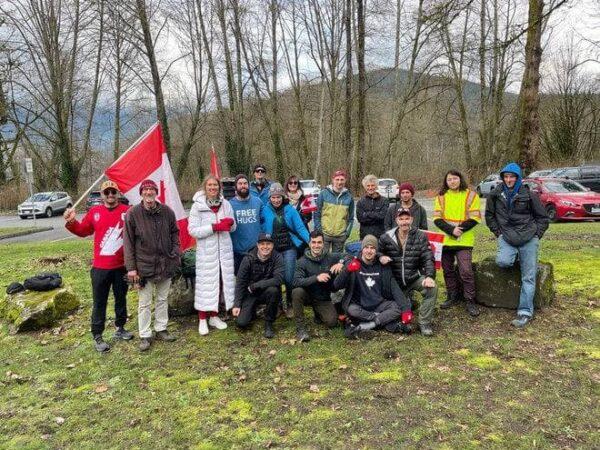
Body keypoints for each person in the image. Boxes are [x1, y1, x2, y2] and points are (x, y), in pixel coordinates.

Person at [64, 180, 133, 352]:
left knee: (121, 298)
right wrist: (71, 222)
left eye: (113, 192)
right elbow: (82, 231)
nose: (110, 195)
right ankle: (97, 335)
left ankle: (120, 327)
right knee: (99, 302)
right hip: (100, 268)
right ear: (102, 195)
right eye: (107, 192)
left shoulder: (128, 212)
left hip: (121, 266)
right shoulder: (95, 212)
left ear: (118, 194)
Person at [485, 162, 549, 328]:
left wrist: (537, 235)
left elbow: (543, 218)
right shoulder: (495, 195)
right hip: (506, 236)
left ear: (518, 178)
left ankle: (525, 312)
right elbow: (489, 216)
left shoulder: (529, 194)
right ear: (502, 178)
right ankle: (516, 256)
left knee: (528, 276)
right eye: (506, 176)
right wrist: (498, 233)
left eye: (512, 176)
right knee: (503, 262)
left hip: (528, 237)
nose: (509, 179)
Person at [124, 179, 180, 352]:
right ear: (141, 193)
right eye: (145, 190)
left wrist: (175, 252)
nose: (149, 193)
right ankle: (145, 334)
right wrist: (131, 268)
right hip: (144, 266)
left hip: (165, 263)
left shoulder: (167, 212)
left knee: (163, 299)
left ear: (156, 193)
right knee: (145, 303)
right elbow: (128, 242)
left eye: (151, 190)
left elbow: (175, 233)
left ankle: (161, 328)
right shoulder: (133, 214)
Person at [333, 235, 412, 339]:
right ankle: (382, 321)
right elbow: (336, 285)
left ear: (376, 251)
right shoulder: (353, 263)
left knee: (397, 307)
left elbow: (395, 289)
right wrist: (347, 270)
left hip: (379, 304)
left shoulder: (383, 266)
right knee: (352, 310)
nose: (369, 251)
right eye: (366, 247)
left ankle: (367, 325)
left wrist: (406, 310)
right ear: (362, 249)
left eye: (372, 248)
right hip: (360, 305)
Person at [188, 175, 236, 336]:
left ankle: (214, 316)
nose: (213, 188)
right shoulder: (197, 206)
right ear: (205, 187)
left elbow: (234, 227)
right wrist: (214, 227)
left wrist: (230, 223)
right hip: (207, 252)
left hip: (224, 251)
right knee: (205, 285)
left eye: (215, 185)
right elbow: (193, 230)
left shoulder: (226, 204)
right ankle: (202, 318)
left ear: (219, 188)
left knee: (221, 282)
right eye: (209, 185)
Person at [379, 208, 438, 336]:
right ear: (396, 220)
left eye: (407, 218)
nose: (404, 222)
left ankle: (424, 323)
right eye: (401, 219)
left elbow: (428, 257)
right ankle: (407, 304)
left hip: (414, 277)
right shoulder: (386, 237)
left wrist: (429, 276)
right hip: (395, 282)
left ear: (411, 219)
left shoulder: (420, 236)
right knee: (394, 313)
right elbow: (377, 251)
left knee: (431, 289)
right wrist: (380, 257)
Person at [433, 170, 481, 317]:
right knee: (447, 271)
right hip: (446, 239)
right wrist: (451, 230)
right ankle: (452, 296)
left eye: (455, 178)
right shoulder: (441, 197)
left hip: (464, 240)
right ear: (445, 182)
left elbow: (475, 217)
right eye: (449, 179)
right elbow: (436, 218)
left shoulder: (471, 195)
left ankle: (470, 300)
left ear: (460, 179)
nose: (452, 181)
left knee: (466, 271)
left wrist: (459, 230)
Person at [263, 182, 310, 317]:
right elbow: (261, 227)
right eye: (273, 197)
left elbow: (300, 227)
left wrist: (310, 241)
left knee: (289, 277)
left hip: (289, 247)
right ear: (270, 198)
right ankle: (277, 304)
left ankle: (289, 302)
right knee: (275, 277)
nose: (276, 200)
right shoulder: (265, 210)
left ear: (282, 197)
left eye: (278, 197)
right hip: (273, 249)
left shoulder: (290, 209)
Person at [292, 230, 345, 342]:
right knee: (297, 291)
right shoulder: (301, 261)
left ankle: (318, 314)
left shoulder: (330, 257)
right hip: (306, 295)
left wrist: (340, 262)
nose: (316, 245)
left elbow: (348, 256)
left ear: (323, 243)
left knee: (332, 322)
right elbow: (295, 281)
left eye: (319, 242)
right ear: (309, 243)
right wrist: (316, 278)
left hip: (322, 298)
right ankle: (300, 328)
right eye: (314, 242)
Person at [232, 233, 285, 338]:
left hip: (266, 291)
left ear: (273, 245)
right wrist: (237, 304)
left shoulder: (277, 257)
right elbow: (240, 282)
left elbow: (279, 279)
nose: (265, 247)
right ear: (257, 245)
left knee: (274, 290)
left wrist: (257, 285)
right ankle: (252, 312)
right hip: (250, 294)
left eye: (268, 244)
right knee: (241, 323)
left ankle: (269, 323)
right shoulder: (248, 258)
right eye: (262, 244)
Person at [229, 174, 264, 274]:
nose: (243, 186)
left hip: (256, 250)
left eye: (245, 183)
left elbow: (265, 221)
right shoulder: (229, 205)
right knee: (241, 281)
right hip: (238, 252)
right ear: (236, 187)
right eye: (240, 184)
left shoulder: (258, 202)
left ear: (248, 186)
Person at [314, 169, 355, 253]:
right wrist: (319, 230)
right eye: (337, 179)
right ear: (333, 180)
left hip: (340, 236)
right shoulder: (323, 194)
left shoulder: (349, 197)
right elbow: (317, 213)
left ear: (345, 180)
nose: (339, 182)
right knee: (322, 259)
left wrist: (347, 233)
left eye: (342, 179)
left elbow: (350, 218)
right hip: (324, 234)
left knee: (336, 262)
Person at [356, 174, 389, 239]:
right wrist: (376, 215)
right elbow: (360, 219)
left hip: (381, 236)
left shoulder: (384, 201)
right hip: (365, 236)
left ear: (376, 186)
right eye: (368, 186)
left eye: (372, 185)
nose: (370, 188)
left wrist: (366, 214)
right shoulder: (360, 202)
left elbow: (383, 217)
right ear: (365, 187)